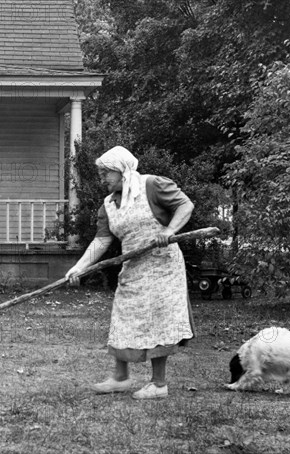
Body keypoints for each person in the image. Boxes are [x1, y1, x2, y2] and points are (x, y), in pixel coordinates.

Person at [65, 145, 195, 400]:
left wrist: (169, 231)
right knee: (123, 317)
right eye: (101, 173)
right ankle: (120, 378)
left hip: (163, 267)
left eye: (106, 173)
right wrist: (79, 267)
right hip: (134, 268)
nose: (101, 179)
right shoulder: (108, 204)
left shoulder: (152, 185)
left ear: (122, 170)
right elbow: (102, 241)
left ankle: (158, 384)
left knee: (159, 321)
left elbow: (185, 206)